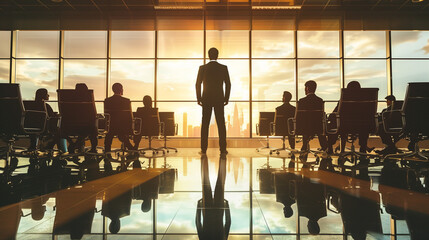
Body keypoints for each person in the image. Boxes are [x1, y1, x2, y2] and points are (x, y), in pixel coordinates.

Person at [196, 47, 231, 155]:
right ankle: (223, 149)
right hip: (219, 98)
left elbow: (198, 84)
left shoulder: (202, 68)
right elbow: (228, 84)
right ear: (217, 55)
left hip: (206, 98)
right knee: (221, 124)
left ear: (208, 55)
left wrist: (199, 98)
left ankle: (203, 149)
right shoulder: (223, 68)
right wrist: (226, 98)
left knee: (205, 124)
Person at [67, 83, 98, 153]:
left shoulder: (70, 101)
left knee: (84, 130)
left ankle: (75, 144)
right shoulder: (88, 102)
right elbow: (93, 114)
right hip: (87, 127)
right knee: (92, 129)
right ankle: (93, 149)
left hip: (72, 127)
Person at [104, 83, 134, 154]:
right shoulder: (126, 101)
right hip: (123, 127)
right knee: (122, 135)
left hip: (111, 127)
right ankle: (131, 149)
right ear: (121, 90)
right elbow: (129, 116)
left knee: (109, 135)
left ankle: (107, 151)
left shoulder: (107, 100)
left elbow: (106, 115)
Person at [298, 80, 328, 152]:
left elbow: (299, 116)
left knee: (305, 123)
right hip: (318, 127)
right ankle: (325, 148)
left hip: (305, 127)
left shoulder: (302, 101)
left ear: (307, 88)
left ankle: (304, 146)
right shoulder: (320, 100)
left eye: (305, 88)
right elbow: (321, 115)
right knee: (320, 127)